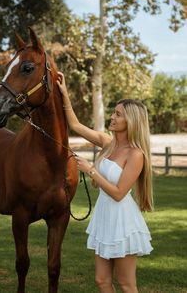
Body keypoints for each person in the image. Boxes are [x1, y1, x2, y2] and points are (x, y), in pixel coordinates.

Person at [57, 72, 153, 293]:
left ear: (131, 121)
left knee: (127, 285)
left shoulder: (135, 154)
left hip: (122, 219)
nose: (112, 116)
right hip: (104, 215)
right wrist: (64, 94)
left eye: (118, 114)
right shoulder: (106, 142)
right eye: (114, 112)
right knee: (102, 281)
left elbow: (119, 193)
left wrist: (91, 170)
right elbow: (75, 125)